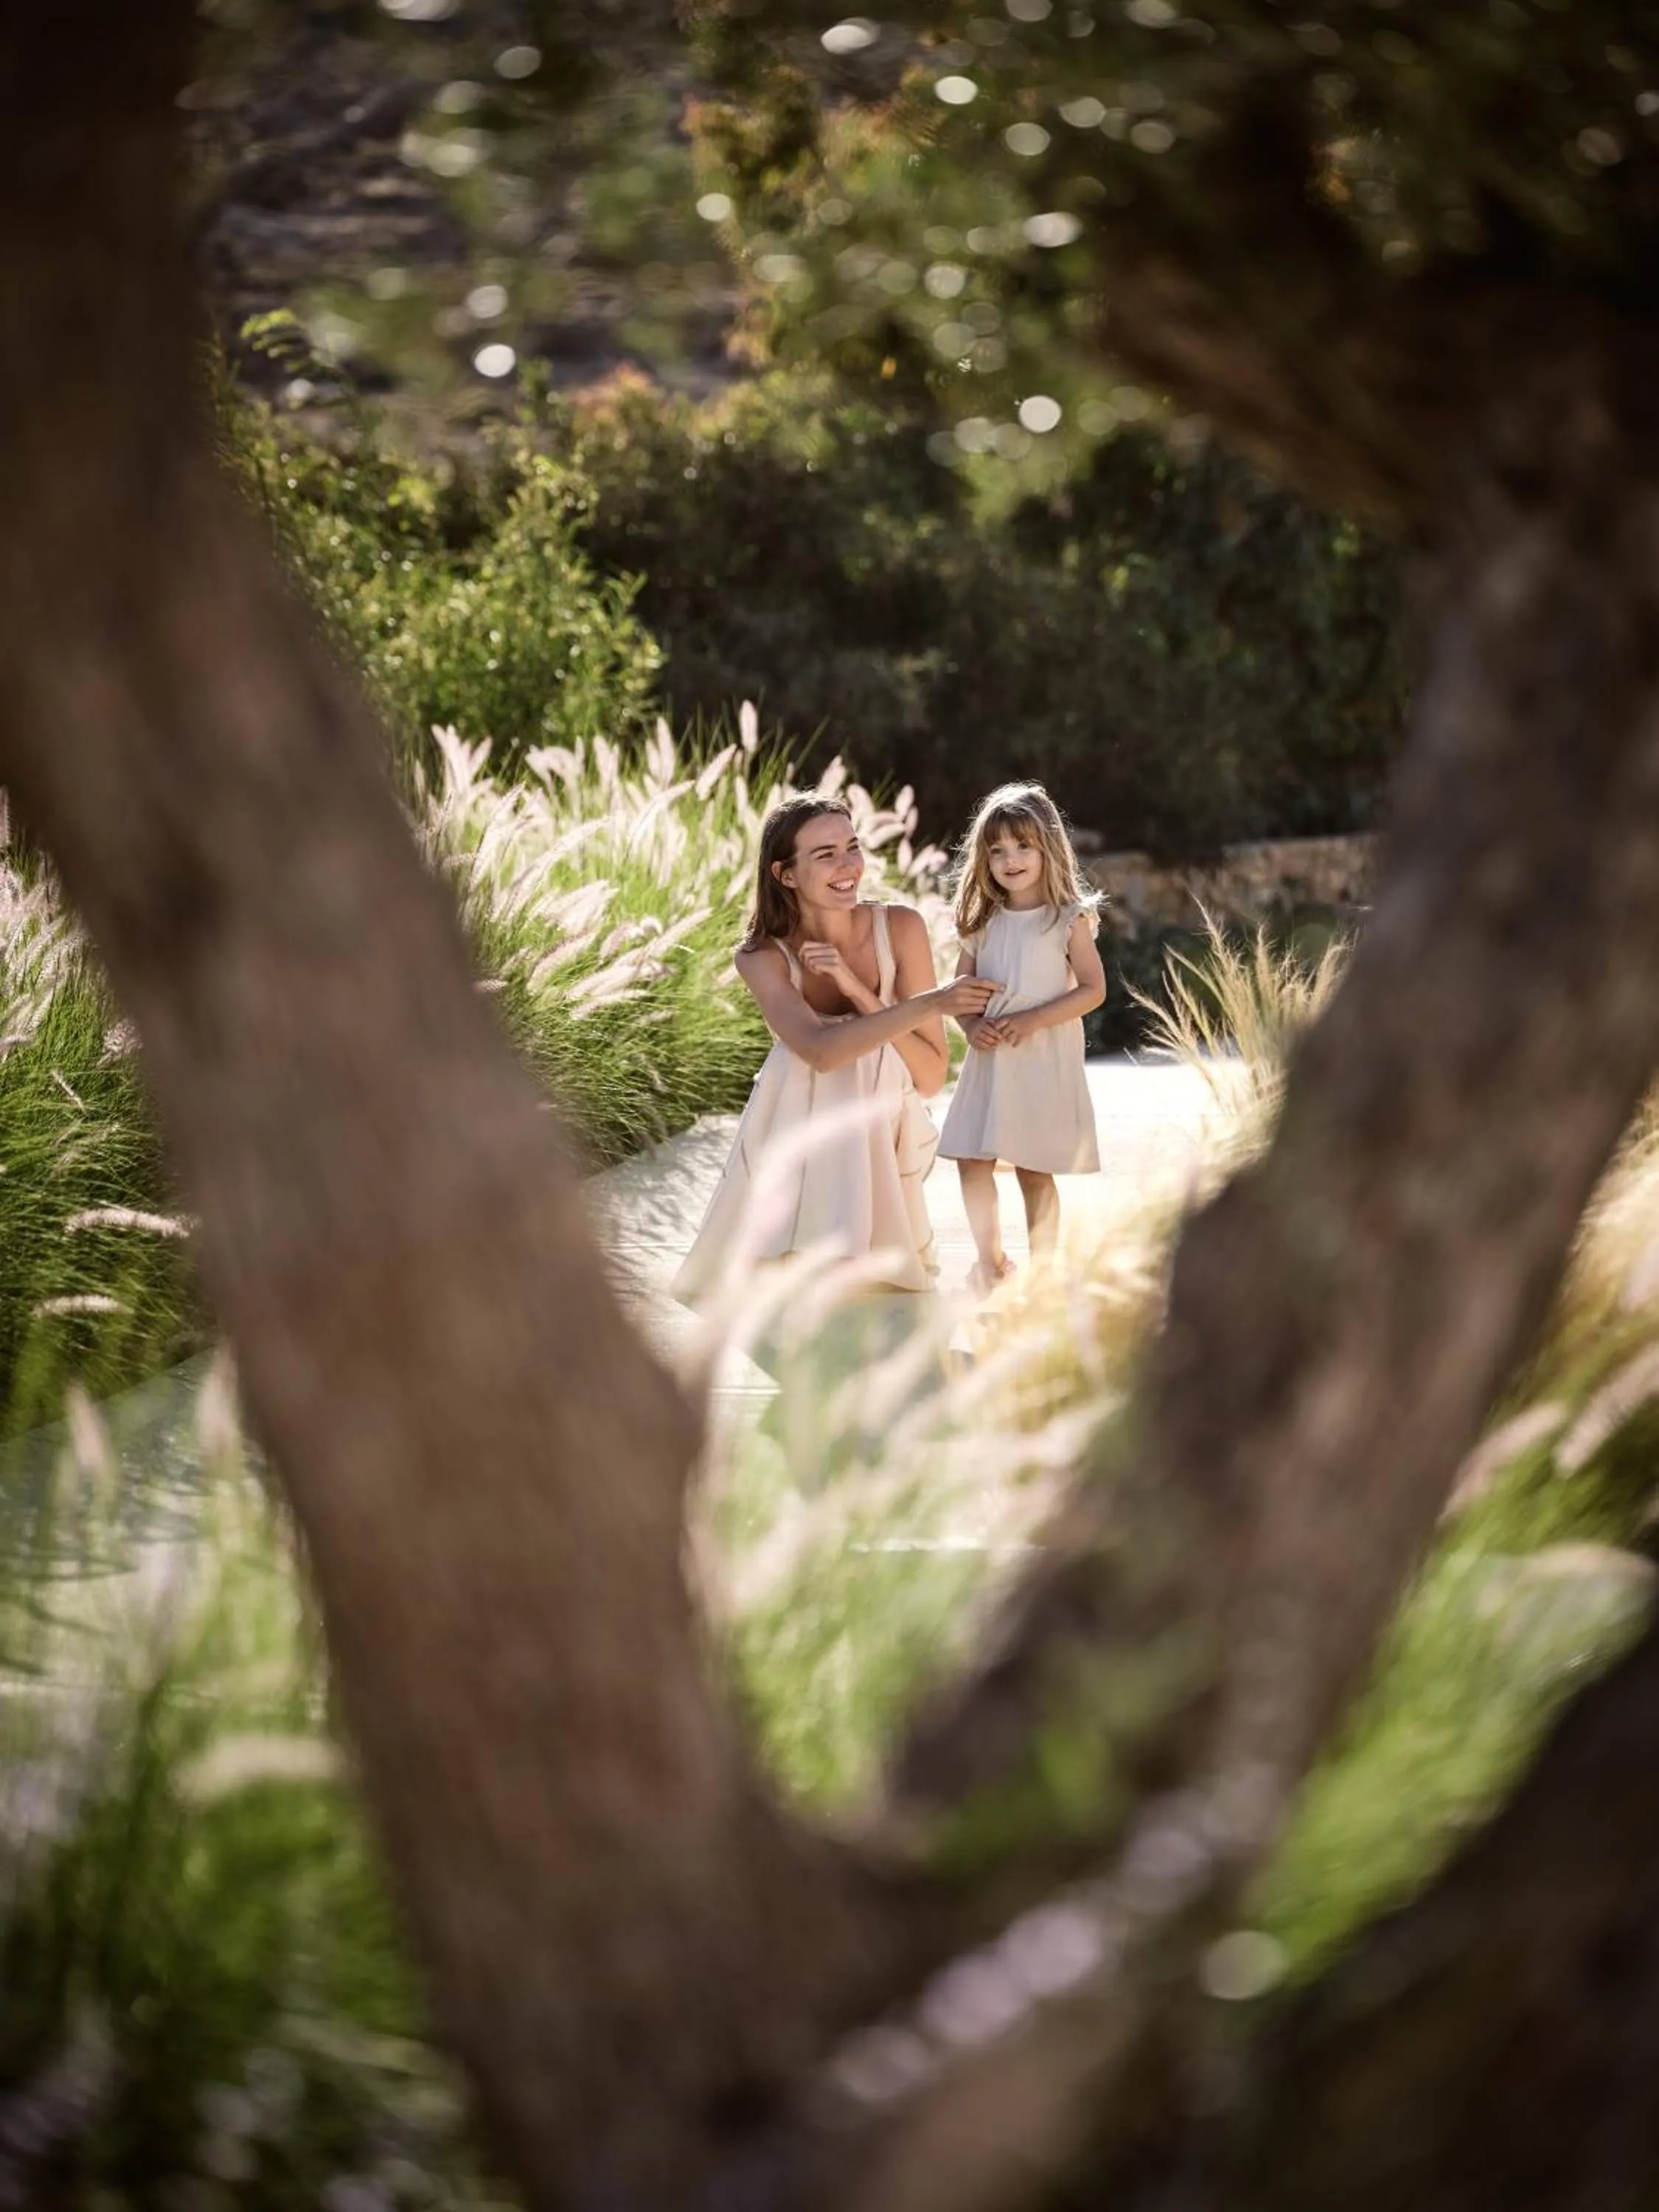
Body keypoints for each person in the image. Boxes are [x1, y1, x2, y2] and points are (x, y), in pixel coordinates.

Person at [673, 793, 998, 1306]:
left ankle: (831, 1251)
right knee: (809, 1056)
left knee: (866, 1051)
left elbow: (932, 1077)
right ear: (786, 874)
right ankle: (834, 1248)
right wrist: (931, 1003)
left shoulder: (901, 928)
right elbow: (820, 1053)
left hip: (888, 1115)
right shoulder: (761, 956)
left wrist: (856, 988)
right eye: (825, 855)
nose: (848, 866)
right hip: (802, 1118)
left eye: (852, 847)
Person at [938, 782, 1107, 1291]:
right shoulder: (981, 923)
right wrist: (972, 1027)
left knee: (1034, 1169)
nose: (1010, 859)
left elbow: (1094, 990)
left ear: (1047, 848)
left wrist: (1033, 1020)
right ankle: (990, 1263)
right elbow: (961, 993)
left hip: (1041, 1054)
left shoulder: (1067, 919)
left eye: (1023, 846)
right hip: (991, 1059)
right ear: (983, 858)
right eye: (997, 850)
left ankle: (1046, 1275)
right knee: (972, 1161)